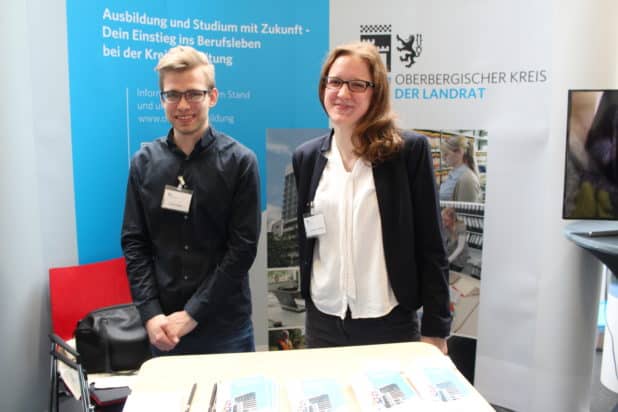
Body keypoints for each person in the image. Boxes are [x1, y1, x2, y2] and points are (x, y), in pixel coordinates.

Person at [292, 42, 451, 353]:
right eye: (335, 81)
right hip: (323, 321)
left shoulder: (407, 152)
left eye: (357, 85)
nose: (343, 93)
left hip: (389, 320)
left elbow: (432, 246)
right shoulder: (307, 157)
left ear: (376, 92)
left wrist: (435, 329)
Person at [121, 46, 261, 356]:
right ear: (162, 100)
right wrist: (150, 313)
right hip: (165, 329)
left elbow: (242, 249)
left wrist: (194, 313)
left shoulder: (240, 162)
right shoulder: (143, 163)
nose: (183, 105)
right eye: (172, 95)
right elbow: (135, 242)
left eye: (193, 94)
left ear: (212, 97)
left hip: (226, 328)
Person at [439, 135, 482, 202]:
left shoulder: (467, 179)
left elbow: (466, 211)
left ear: (459, 152)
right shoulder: (454, 173)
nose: (443, 158)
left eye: (446, 154)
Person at [441, 207, 469, 272]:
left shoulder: (461, 226)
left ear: (452, 219)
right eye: (442, 219)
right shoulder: (445, 226)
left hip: (459, 257)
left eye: (446, 220)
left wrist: (449, 260)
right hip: (449, 254)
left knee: (454, 274)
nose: (443, 222)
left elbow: (460, 247)